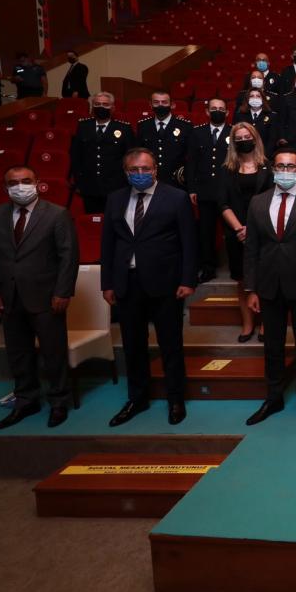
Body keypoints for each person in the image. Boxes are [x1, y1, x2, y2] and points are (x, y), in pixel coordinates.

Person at [101, 148, 197, 427]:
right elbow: (108, 244)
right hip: (127, 283)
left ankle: (175, 399)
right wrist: (107, 283)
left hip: (165, 283)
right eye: (134, 170)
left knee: (170, 344)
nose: (140, 174)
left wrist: (188, 280)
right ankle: (137, 398)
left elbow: (189, 242)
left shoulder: (176, 197)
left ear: (155, 169)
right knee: (133, 345)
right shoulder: (115, 199)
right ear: (126, 172)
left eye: (146, 169)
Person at [0, 166, 79, 429]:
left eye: (25, 181)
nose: (20, 186)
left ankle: (58, 402)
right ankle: (26, 400)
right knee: (18, 353)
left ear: (37, 183)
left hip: (47, 297)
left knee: (53, 353)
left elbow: (68, 257)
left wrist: (62, 291)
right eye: (13, 183)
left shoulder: (57, 214)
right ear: (5, 187)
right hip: (8, 297)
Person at [242, 148, 296, 427]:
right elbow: (252, 249)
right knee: (272, 347)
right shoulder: (258, 202)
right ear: (273, 169)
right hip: (268, 287)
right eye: (280, 166)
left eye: (291, 166)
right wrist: (251, 289)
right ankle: (274, 398)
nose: (285, 171)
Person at [218, 122, 272, 342]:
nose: (243, 141)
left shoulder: (268, 167)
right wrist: (240, 229)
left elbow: (273, 201)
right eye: (238, 139)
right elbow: (223, 203)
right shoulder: (226, 169)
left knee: (265, 279)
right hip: (237, 233)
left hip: (265, 231)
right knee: (242, 282)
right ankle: (247, 325)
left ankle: (266, 324)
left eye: (246, 137)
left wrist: (254, 228)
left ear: (255, 138)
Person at [187, 99, 231, 283]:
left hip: (228, 190)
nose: (217, 111)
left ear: (227, 112)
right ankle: (208, 268)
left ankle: (236, 267)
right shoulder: (197, 132)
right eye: (214, 108)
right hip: (204, 190)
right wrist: (192, 188)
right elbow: (191, 163)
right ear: (207, 111)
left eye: (221, 109)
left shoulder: (234, 132)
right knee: (206, 232)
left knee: (231, 230)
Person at [69, 92, 136, 213]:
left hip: (116, 186)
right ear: (92, 106)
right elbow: (76, 156)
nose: (101, 107)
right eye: (97, 104)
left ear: (112, 108)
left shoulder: (124, 128)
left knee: (115, 219)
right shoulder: (83, 126)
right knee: (92, 220)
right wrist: (79, 182)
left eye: (105, 104)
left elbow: (131, 157)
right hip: (90, 186)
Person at [136, 91, 191, 186]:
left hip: (175, 180)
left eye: (164, 102)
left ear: (172, 105)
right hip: (150, 179)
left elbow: (190, 156)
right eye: (156, 102)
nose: (160, 105)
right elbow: (138, 152)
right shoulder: (143, 126)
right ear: (150, 105)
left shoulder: (185, 126)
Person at [235, 87, 279, 152]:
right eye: (252, 96)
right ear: (247, 99)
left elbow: (272, 139)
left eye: (258, 96)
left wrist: (264, 155)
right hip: (244, 153)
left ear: (263, 99)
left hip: (264, 153)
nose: (255, 98)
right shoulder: (240, 116)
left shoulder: (272, 116)